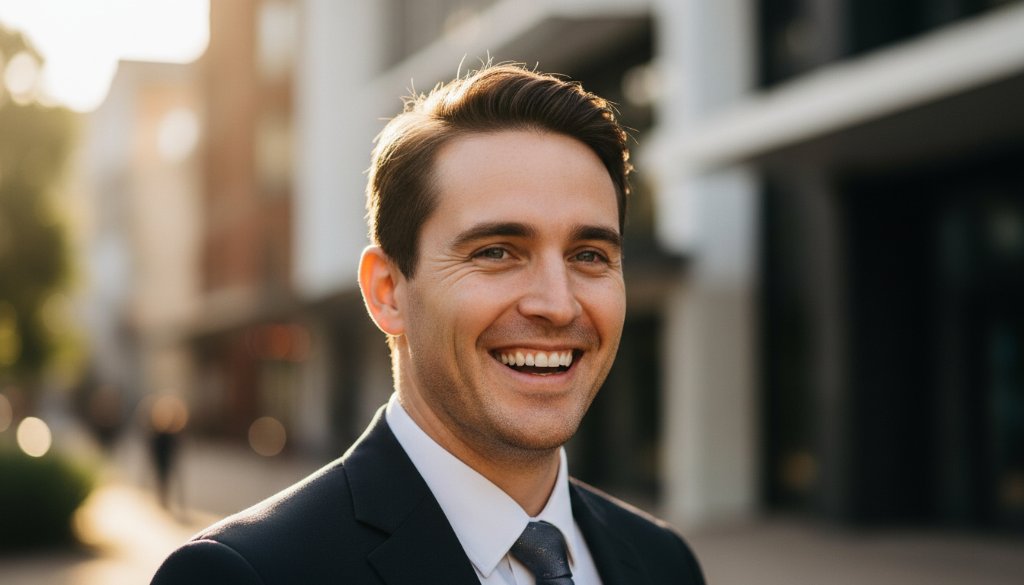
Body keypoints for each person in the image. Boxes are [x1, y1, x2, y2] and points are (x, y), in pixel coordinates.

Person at [151, 63, 705, 585]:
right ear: (387, 292)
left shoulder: (663, 561)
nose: (558, 306)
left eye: (589, 256)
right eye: (496, 252)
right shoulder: (246, 575)